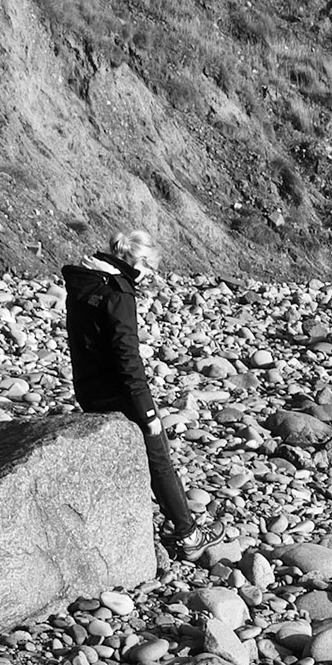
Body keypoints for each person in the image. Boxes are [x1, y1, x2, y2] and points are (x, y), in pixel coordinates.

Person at [60, 229, 197, 544]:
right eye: (150, 268)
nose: (150, 276)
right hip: (119, 393)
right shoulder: (117, 292)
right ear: (137, 262)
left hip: (88, 390)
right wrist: (147, 412)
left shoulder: (83, 281)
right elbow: (128, 358)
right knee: (158, 455)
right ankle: (187, 533)